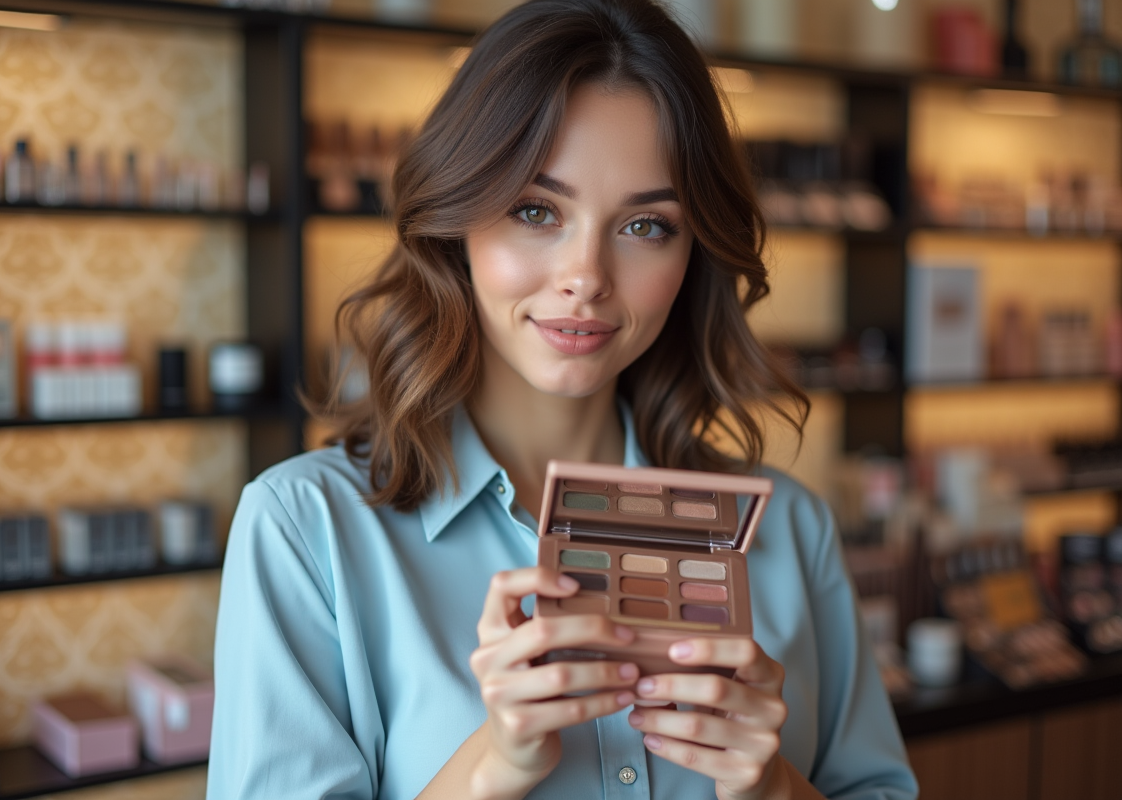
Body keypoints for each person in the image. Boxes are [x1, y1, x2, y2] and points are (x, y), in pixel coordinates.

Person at [207, 1, 919, 798]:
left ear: (694, 254)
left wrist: (773, 788)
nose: (587, 276)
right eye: (535, 210)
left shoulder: (789, 530)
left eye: (647, 225)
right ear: (456, 223)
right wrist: (492, 768)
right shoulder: (306, 532)